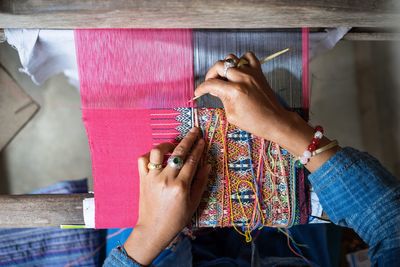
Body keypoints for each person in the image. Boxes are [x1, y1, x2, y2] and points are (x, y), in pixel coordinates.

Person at [104, 52, 400, 266]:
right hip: (296, 250)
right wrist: (282, 125)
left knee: (128, 191)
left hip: (172, 247)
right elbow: (392, 226)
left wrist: (150, 234)